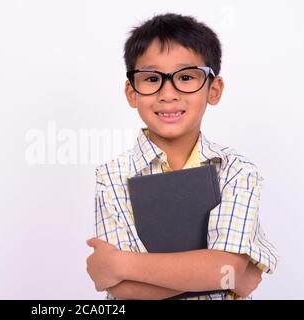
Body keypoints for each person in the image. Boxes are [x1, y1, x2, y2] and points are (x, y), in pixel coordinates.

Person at [85, 13, 278, 300]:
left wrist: (121, 264)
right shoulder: (112, 176)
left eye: (186, 77)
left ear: (214, 89)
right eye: (151, 79)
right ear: (131, 92)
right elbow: (125, 291)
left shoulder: (236, 171)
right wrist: (229, 274)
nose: (168, 93)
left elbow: (225, 269)